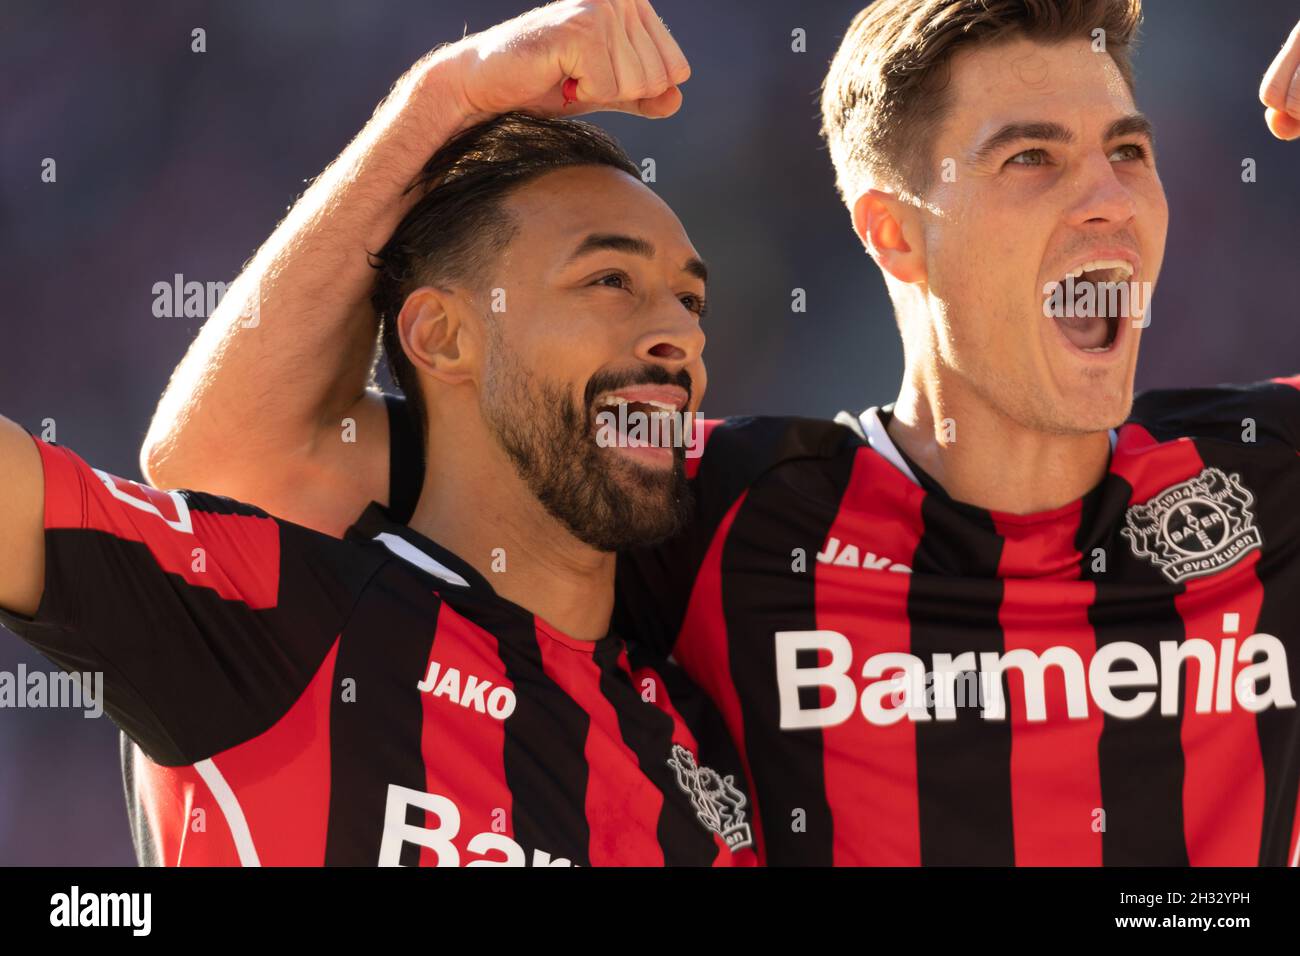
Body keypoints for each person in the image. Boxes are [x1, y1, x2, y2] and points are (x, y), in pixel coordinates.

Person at [144, 0, 1300, 865]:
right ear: (896, 234)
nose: (1107, 197)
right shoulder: (720, 509)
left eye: (1129, 151)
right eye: (1032, 157)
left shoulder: (1273, 472)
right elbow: (236, 460)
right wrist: (443, 100)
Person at [0, 4, 759, 867]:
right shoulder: (276, 616)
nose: (681, 334)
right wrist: (443, 99)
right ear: (441, 336)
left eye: (689, 300)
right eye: (610, 279)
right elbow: (211, 457)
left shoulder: (703, 752)